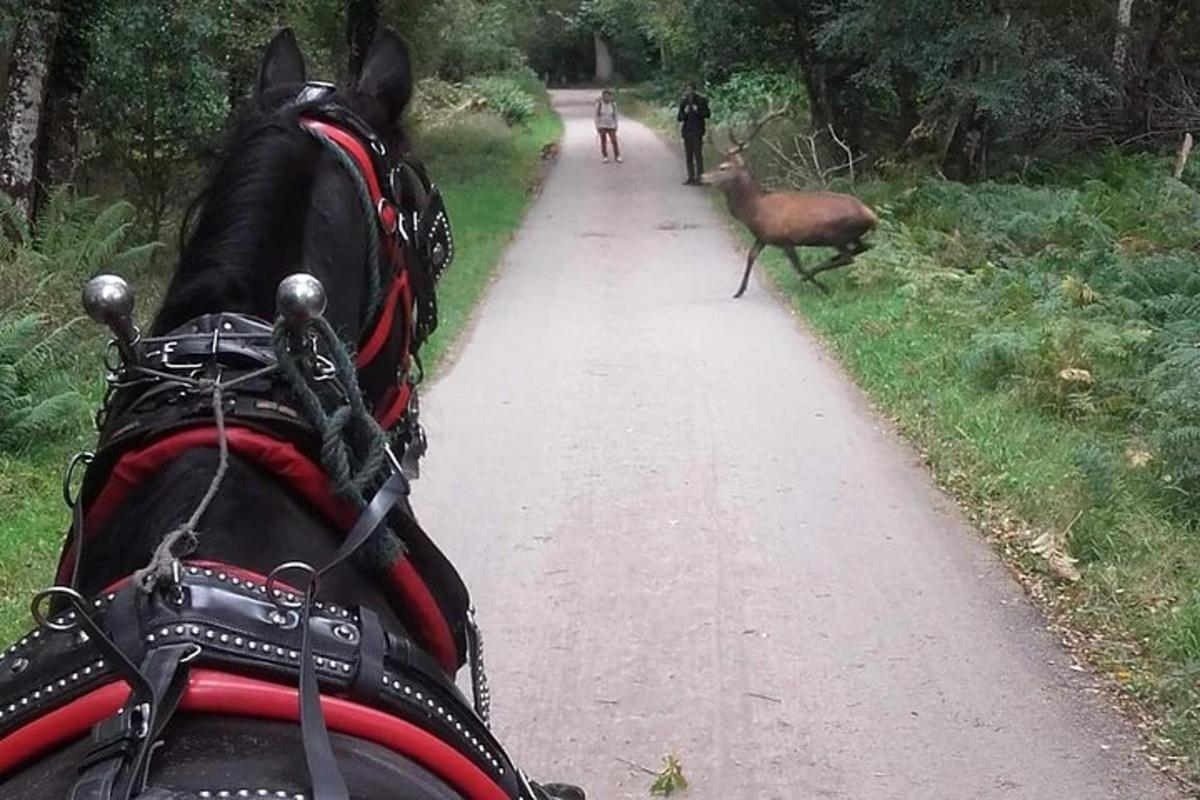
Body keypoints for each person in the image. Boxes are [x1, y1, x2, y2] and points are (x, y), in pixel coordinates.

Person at [677, 82, 710, 185]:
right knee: (689, 156)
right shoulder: (684, 102)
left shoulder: (701, 100)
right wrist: (685, 113)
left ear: (694, 90)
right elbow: (679, 118)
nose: (688, 92)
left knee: (698, 155)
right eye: (687, 90)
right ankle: (690, 177)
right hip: (687, 131)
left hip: (697, 131)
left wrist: (698, 110)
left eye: (690, 89)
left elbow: (707, 114)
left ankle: (700, 178)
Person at [595, 89, 621, 163]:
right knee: (603, 141)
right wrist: (597, 126)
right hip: (602, 126)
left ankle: (617, 156)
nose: (606, 98)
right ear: (603, 96)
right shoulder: (599, 105)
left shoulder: (613, 105)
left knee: (614, 141)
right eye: (605, 96)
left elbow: (615, 116)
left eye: (608, 96)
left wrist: (616, 125)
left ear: (610, 97)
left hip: (611, 126)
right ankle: (605, 156)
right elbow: (596, 116)